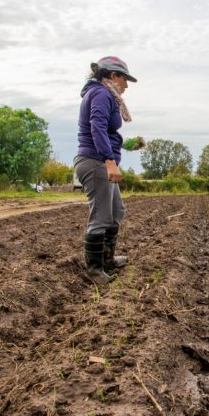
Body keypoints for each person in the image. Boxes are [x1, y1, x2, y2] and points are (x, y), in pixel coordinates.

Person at [74, 56, 137, 284]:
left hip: (99, 159)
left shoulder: (103, 94)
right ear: (112, 76)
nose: (126, 85)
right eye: (124, 79)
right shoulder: (101, 93)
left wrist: (127, 146)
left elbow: (108, 133)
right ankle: (95, 270)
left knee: (116, 211)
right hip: (94, 162)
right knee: (101, 216)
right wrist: (109, 161)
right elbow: (97, 126)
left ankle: (108, 259)